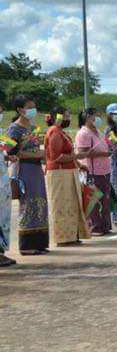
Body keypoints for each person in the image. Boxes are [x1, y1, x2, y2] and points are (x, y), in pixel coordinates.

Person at [7, 96, 49, 255]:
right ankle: (27, 245)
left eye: (34, 106)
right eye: (29, 107)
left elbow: (35, 148)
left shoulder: (33, 127)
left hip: (36, 169)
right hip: (24, 169)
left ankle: (39, 243)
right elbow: (12, 152)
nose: (33, 110)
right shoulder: (14, 129)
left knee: (40, 205)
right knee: (28, 205)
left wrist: (41, 155)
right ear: (19, 110)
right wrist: (36, 154)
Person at [44, 108, 90, 246]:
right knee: (61, 206)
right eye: (65, 116)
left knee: (72, 205)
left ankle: (71, 235)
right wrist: (77, 156)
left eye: (69, 115)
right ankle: (63, 238)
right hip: (59, 173)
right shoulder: (54, 132)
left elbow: (68, 153)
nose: (68, 118)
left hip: (68, 172)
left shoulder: (61, 132)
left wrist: (78, 163)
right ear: (55, 117)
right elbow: (56, 157)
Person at [74, 107, 114, 236]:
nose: (98, 119)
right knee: (94, 201)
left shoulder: (99, 131)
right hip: (92, 171)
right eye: (95, 116)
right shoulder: (83, 133)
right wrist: (102, 153)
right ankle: (95, 227)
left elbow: (107, 145)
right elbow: (82, 153)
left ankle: (105, 225)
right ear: (87, 117)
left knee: (105, 200)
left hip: (104, 170)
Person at [0, 106, 17, 266]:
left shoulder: (1, 132)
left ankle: (1, 252)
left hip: (3, 183)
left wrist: (8, 156)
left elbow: (6, 148)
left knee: (3, 218)